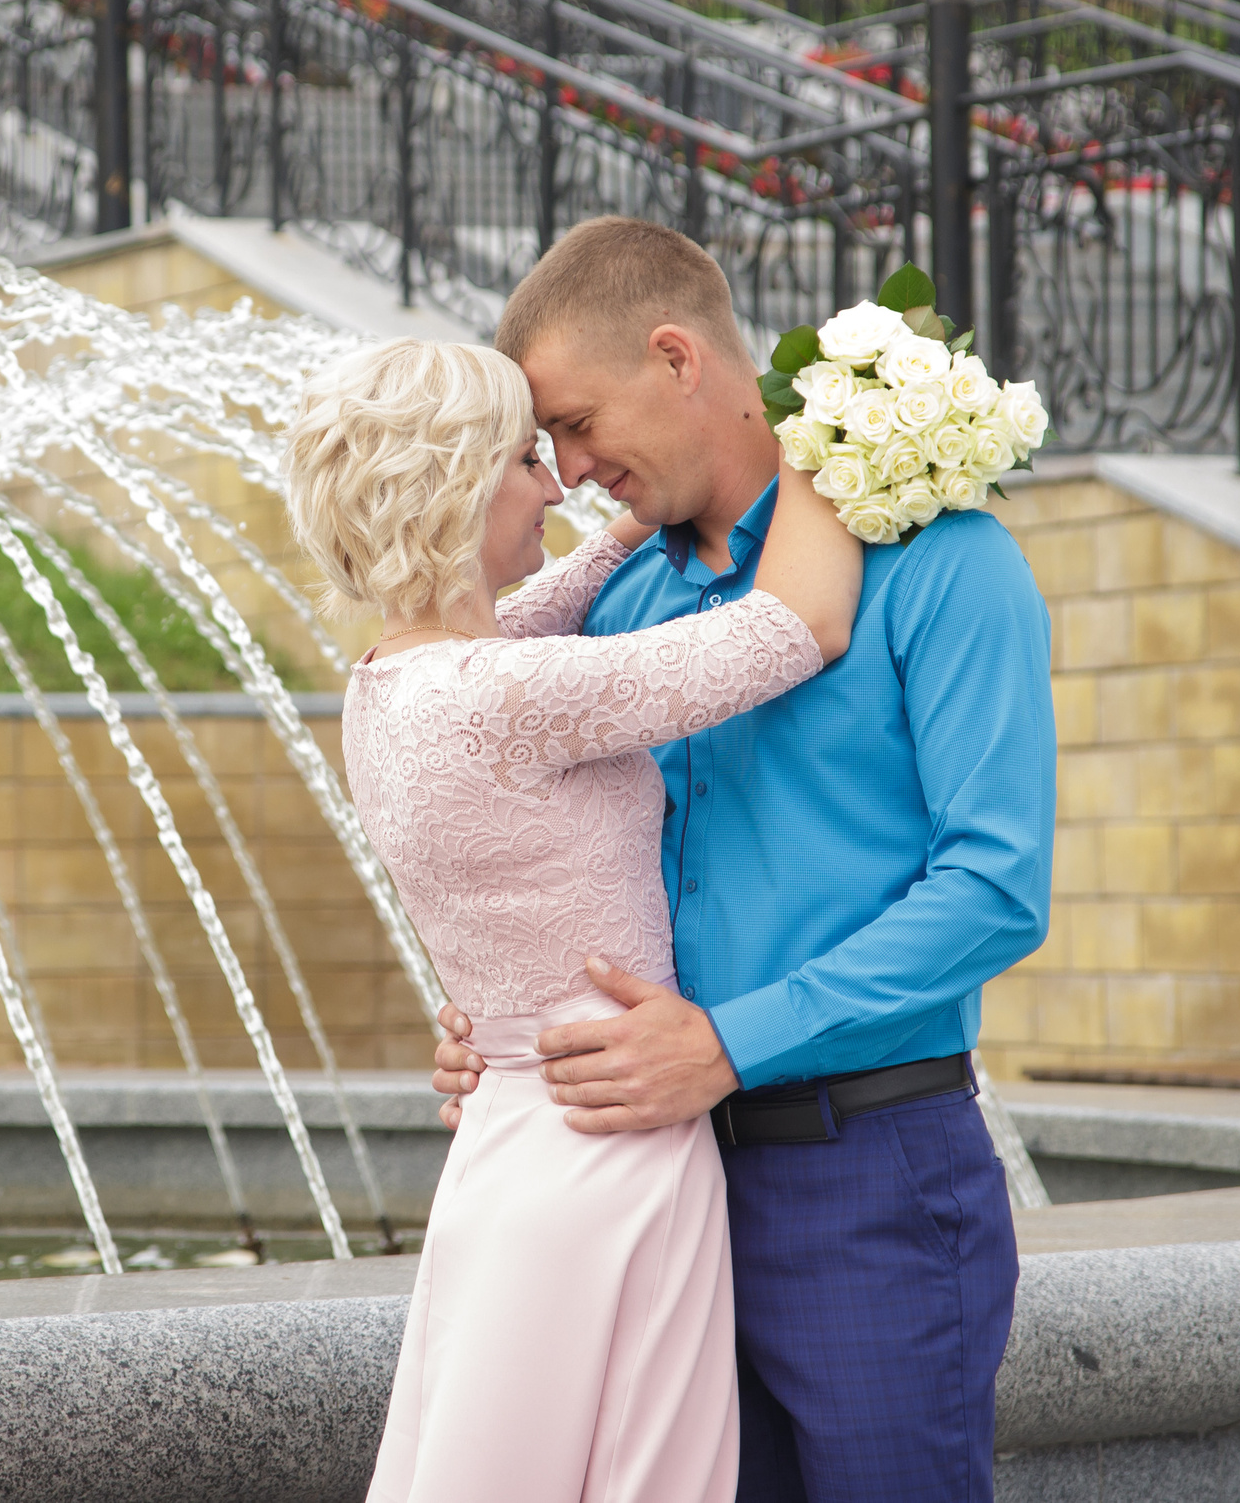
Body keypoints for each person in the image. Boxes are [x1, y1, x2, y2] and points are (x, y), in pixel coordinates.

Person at [429, 217, 1056, 1503]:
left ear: (676, 357)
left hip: (871, 1184)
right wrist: (492, 1020)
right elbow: (564, 860)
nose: (570, 469)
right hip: (662, 1192)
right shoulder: (620, 610)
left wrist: (728, 1041)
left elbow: (994, 889)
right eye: (546, 445)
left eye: (580, 422)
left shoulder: (945, 565)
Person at [284, 336, 865, 1503]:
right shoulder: (502, 694)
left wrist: (625, 516)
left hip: (514, 1133)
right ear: (452, 487)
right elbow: (795, 625)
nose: (557, 482)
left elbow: (564, 585)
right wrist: (844, 427)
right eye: (522, 461)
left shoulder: (392, 681)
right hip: (610, 1145)